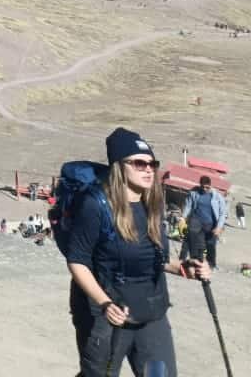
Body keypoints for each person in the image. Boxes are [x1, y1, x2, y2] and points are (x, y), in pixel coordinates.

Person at [65, 128, 209, 377]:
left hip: (151, 312)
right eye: (140, 163)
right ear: (120, 166)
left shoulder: (153, 203)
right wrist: (105, 303)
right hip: (107, 316)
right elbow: (77, 261)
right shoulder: (96, 205)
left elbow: (156, 258)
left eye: (152, 163)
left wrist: (186, 268)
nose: (148, 169)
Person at [182, 174, 225, 268]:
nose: (205, 189)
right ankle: (196, 260)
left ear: (210, 185)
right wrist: (183, 217)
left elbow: (222, 213)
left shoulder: (217, 196)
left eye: (207, 187)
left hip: (210, 224)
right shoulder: (194, 193)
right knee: (195, 240)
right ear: (200, 185)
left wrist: (219, 227)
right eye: (203, 187)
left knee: (210, 244)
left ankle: (212, 263)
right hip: (197, 220)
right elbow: (188, 205)